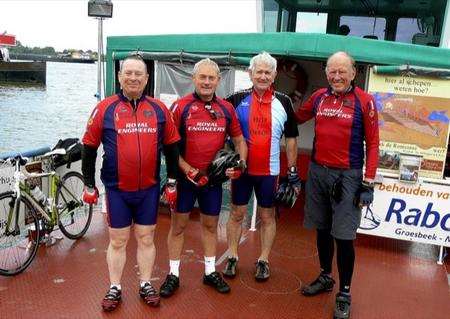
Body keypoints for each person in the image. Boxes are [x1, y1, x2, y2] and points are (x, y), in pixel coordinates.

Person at [81, 54, 180, 312]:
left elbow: (171, 148)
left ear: (147, 79)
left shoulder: (159, 109)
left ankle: (145, 283)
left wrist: (172, 181)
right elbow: (89, 148)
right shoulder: (104, 109)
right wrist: (89, 185)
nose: (134, 77)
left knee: (146, 238)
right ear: (119, 77)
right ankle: (115, 287)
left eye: (139, 74)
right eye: (129, 73)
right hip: (117, 190)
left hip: (148, 189)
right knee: (118, 240)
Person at [295, 51, 379, 319]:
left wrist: (368, 182)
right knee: (321, 229)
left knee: (344, 237)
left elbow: (374, 143)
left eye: (343, 71)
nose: (337, 76)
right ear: (327, 73)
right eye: (332, 71)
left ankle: (344, 292)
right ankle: (325, 276)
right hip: (318, 172)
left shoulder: (365, 101)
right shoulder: (319, 96)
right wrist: (282, 94)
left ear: (354, 73)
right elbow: (296, 117)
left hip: (348, 177)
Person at [159, 58, 247, 297]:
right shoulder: (181, 106)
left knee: (210, 226)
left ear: (218, 80)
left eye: (211, 78)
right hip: (187, 180)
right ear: (194, 79)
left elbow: (239, 140)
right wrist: (188, 170)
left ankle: (210, 272)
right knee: (179, 226)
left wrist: (239, 165)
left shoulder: (226, 109)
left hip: (213, 182)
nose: (207, 82)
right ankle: (173, 274)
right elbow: (170, 146)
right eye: (203, 77)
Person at [222, 52, 300, 282]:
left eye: (268, 72)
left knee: (267, 216)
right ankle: (233, 256)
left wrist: (293, 172)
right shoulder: (235, 99)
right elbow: (220, 131)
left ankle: (263, 260)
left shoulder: (284, 101)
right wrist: (224, 158)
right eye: (259, 72)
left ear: (274, 75)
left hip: (270, 171)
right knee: (237, 213)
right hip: (242, 170)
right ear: (251, 73)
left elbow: (292, 139)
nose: (263, 76)